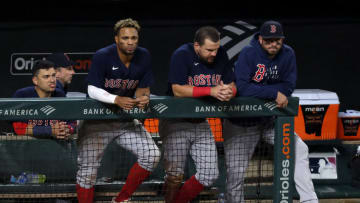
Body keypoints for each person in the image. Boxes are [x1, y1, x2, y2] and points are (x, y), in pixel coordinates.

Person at [222, 20, 318, 203]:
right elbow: (242, 88)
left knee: (300, 149)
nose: (273, 44)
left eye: (277, 40)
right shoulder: (248, 53)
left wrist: (266, 92)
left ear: (282, 39)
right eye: (268, 40)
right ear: (260, 39)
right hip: (241, 123)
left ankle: (309, 200)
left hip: (269, 122)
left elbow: (289, 86)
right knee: (235, 175)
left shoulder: (288, 54)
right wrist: (273, 92)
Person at [75, 18, 161, 203]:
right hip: (97, 121)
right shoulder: (103, 56)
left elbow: (143, 87)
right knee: (87, 172)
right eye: (125, 38)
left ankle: (121, 200)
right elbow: (92, 89)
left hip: (124, 120)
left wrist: (144, 97)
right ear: (116, 39)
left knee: (152, 155)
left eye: (134, 38)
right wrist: (116, 99)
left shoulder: (143, 56)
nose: (130, 42)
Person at [158, 26, 236, 203]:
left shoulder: (220, 54)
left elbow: (231, 83)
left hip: (200, 122)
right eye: (209, 50)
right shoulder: (182, 55)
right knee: (174, 176)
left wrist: (230, 91)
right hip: (175, 121)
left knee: (210, 174)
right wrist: (211, 91)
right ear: (196, 46)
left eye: (216, 49)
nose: (214, 54)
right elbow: (177, 90)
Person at [12, 60, 75, 139]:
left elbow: (72, 123)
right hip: (26, 147)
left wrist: (67, 129)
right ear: (35, 80)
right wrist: (50, 130)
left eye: (53, 75)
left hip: (55, 148)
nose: (52, 80)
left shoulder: (60, 95)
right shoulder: (22, 95)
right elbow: (19, 128)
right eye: (46, 77)